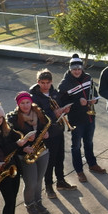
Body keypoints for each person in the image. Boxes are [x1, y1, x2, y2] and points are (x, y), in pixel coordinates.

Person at [28, 68, 77, 197]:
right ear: (38, 82)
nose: (45, 86)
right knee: (49, 161)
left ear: (51, 82)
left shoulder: (54, 93)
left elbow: (59, 105)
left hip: (58, 130)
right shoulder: (35, 98)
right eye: (42, 83)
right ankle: (48, 186)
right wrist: (54, 113)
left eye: (48, 83)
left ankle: (60, 181)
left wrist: (64, 110)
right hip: (47, 133)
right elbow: (38, 116)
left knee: (60, 158)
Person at [59, 54, 106, 181]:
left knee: (89, 142)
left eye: (79, 69)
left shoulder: (88, 78)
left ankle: (92, 164)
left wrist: (94, 101)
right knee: (76, 146)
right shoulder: (64, 85)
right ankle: (79, 171)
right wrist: (77, 101)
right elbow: (62, 103)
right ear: (70, 69)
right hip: (76, 119)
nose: (77, 71)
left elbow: (94, 93)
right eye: (74, 69)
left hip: (90, 117)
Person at [8, 92, 52, 214]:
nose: (26, 105)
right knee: (31, 182)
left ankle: (38, 202)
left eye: (28, 102)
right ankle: (29, 204)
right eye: (22, 103)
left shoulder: (38, 112)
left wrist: (47, 134)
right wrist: (24, 147)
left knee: (39, 181)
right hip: (26, 154)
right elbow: (12, 139)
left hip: (42, 151)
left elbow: (47, 126)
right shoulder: (13, 119)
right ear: (18, 104)